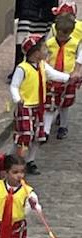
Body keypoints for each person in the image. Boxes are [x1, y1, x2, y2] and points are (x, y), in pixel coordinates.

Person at [10, 33, 72, 170]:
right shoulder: (22, 68)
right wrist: (17, 98)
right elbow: (14, 86)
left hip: (39, 106)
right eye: (44, 48)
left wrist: (68, 78)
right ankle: (14, 160)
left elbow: (54, 74)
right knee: (24, 135)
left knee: (38, 135)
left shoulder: (43, 66)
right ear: (36, 53)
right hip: (25, 106)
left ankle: (30, 160)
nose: (47, 51)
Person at [45, 4, 82, 138]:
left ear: (71, 32)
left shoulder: (76, 43)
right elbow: (45, 57)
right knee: (50, 104)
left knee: (64, 105)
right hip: (53, 77)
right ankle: (46, 130)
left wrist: (78, 72)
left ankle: (63, 126)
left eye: (64, 35)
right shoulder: (50, 43)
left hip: (69, 76)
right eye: (60, 35)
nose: (61, 38)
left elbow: (79, 57)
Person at [14, 0, 57, 73]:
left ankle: (37, 70)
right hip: (28, 10)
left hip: (44, 13)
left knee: (39, 44)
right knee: (22, 41)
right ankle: (19, 69)